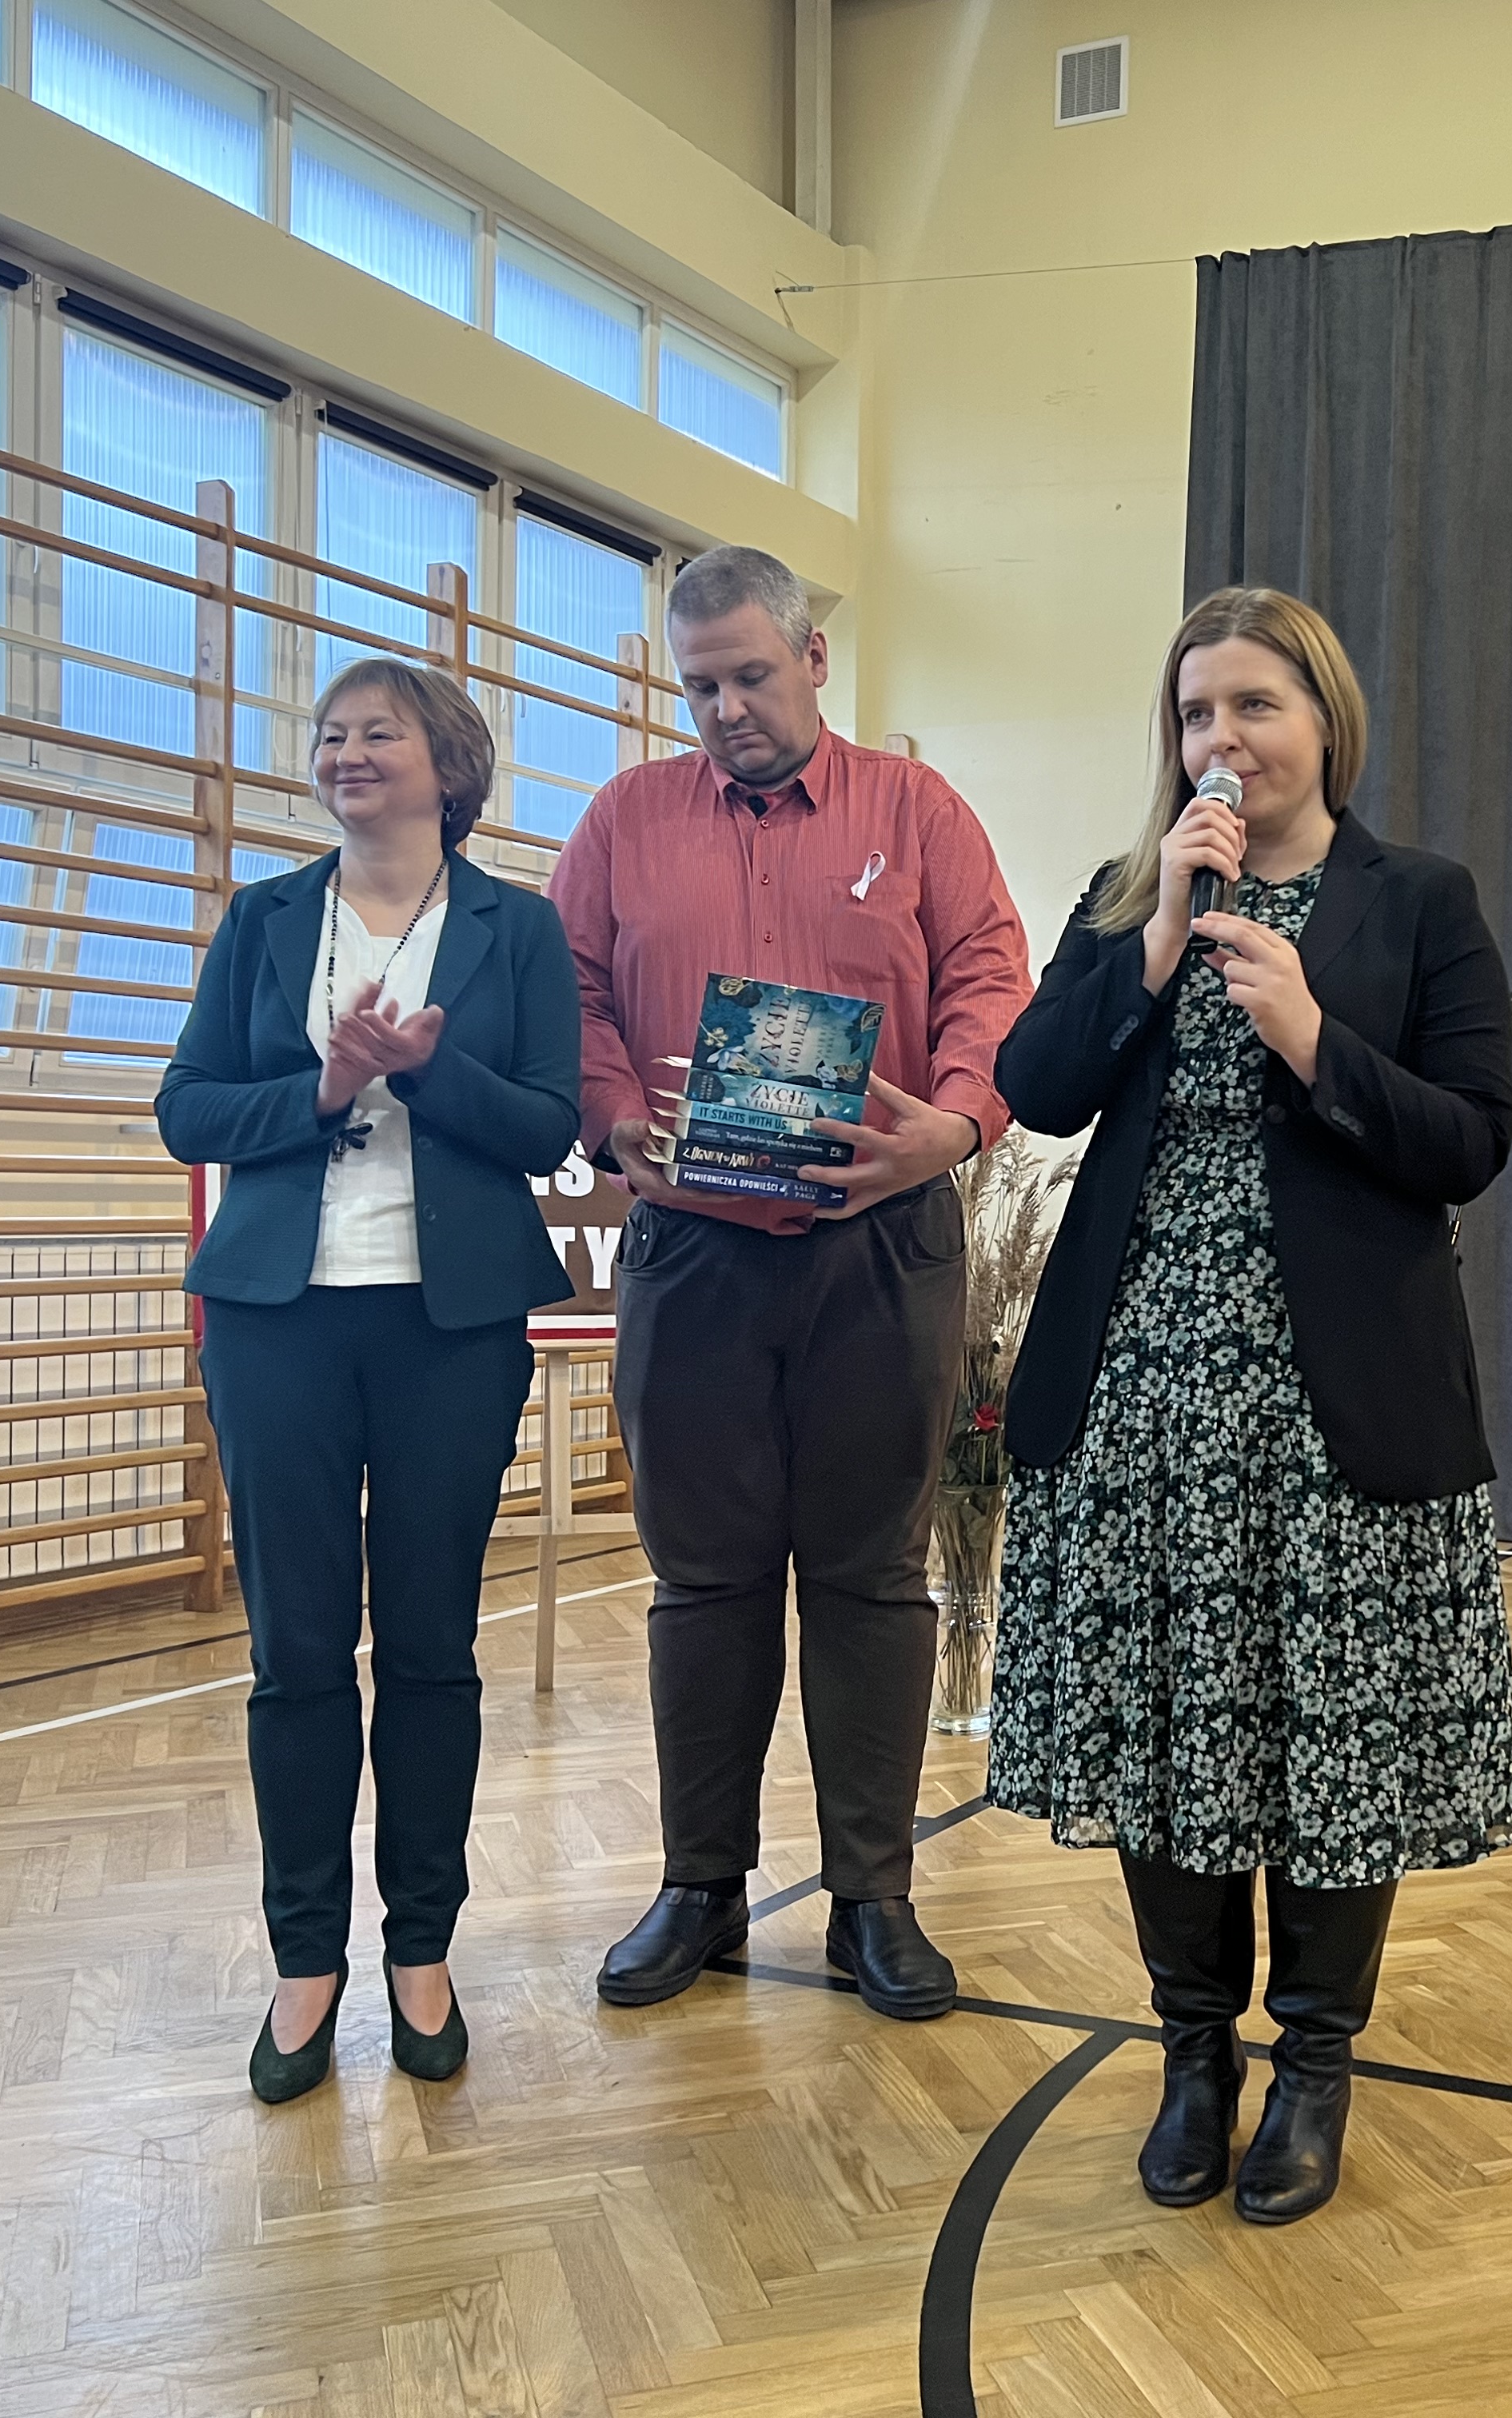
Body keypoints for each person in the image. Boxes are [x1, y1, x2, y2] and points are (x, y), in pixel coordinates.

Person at [987, 587, 1512, 2225]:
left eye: (1253, 706)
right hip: (1142, 1391)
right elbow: (1035, 1089)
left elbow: (1471, 1140)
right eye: (1194, 713)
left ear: (1323, 722)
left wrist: (1310, 1036)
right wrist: (1156, 937)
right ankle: (1189, 2053)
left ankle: (1314, 2066)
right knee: (1172, 1726)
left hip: (1337, 1400)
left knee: (1334, 1733)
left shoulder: (1419, 901)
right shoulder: (1127, 896)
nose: (1218, 740)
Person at [549, 545, 1033, 2022]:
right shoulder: (625, 822)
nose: (726, 710)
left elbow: (991, 977)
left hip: (880, 1242)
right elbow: (569, 991)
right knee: (704, 1579)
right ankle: (699, 1885)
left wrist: (956, 1125)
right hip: (692, 1247)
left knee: (872, 1574)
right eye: (698, 686)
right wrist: (611, 1117)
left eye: (751, 677)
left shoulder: (917, 810)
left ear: (815, 658)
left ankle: (872, 1900)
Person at [159, 657, 582, 2104]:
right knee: (294, 1654)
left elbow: (547, 1126)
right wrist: (326, 1091)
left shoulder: (519, 928)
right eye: (330, 734)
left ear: (447, 767)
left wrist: (423, 1072)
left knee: (429, 1649)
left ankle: (421, 1952)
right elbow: (187, 1109)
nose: (346, 753)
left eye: (377, 733)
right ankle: (303, 1963)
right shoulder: (265, 919)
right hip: (275, 1323)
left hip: (448, 1329)